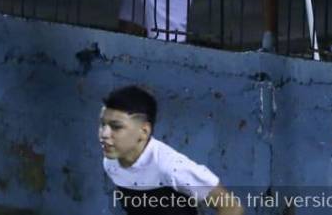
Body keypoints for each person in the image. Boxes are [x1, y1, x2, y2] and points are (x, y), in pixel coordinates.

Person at [100, 85, 243, 215]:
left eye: (116, 127)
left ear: (144, 131)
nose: (104, 134)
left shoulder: (171, 167)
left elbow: (232, 207)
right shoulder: (111, 163)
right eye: (102, 124)